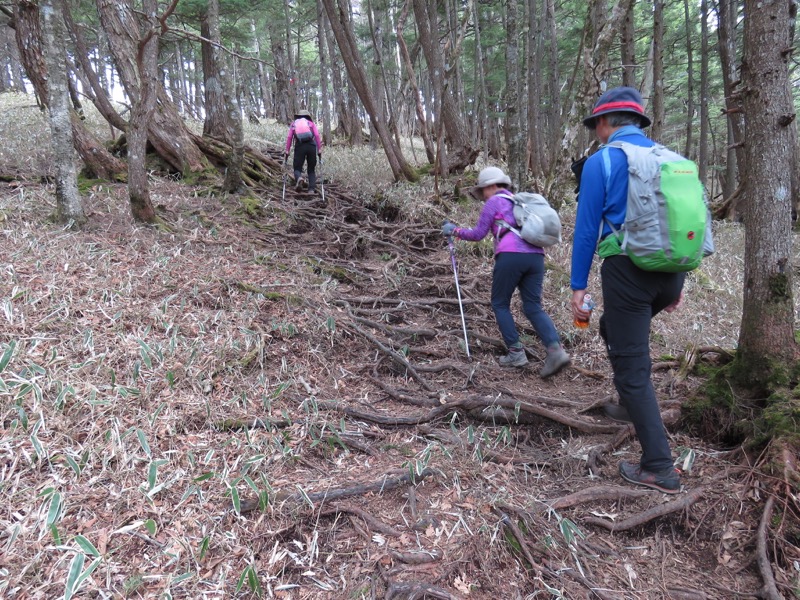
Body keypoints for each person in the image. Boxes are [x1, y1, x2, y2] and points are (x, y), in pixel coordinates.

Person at [570, 86, 684, 494]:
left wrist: (577, 286)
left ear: (605, 123)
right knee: (612, 331)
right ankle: (625, 404)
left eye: (596, 124)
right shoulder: (670, 158)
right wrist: (676, 281)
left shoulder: (602, 162)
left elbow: (586, 232)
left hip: (627, 272)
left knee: (633, 369)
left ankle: (659, 466)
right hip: (670, 272)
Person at [442, 166, 570, 379]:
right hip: (536, 258)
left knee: (500, 303)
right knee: (533, 306)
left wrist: (454, 230)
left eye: (483, 190)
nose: (483, 196)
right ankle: (555, 351)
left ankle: (516, 353)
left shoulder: (495, 202)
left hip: (511, 256)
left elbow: (477, 234)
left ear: (492, 186)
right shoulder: (520, 202)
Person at [284, 109, 323, 194]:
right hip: (311, 146)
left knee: (297, 168)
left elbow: (289, 137)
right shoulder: (311, 124)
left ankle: (299, 178)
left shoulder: (294, 124)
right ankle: (311, 189)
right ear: (308, 116)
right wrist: (319, 149)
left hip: (300, 146)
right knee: (311, 169)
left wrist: (287, 150)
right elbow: (316, 135)